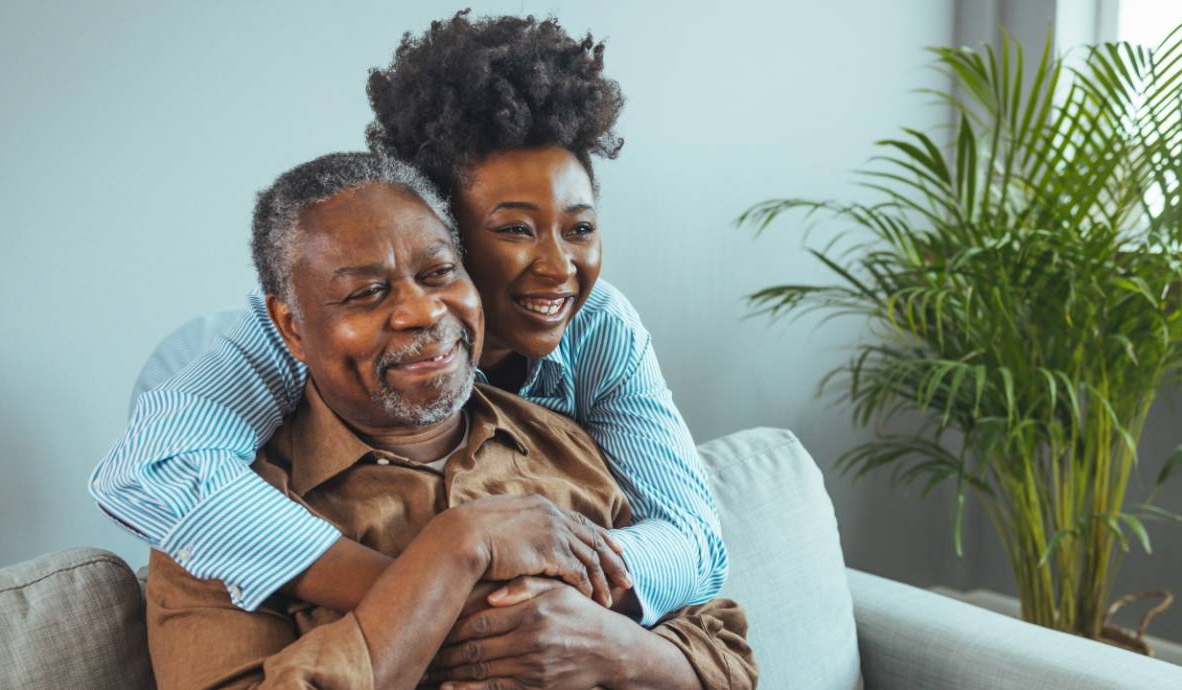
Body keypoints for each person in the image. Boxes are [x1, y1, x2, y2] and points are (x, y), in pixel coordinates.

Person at [91, 10, 724, 626]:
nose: (559, 268)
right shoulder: (297, 333)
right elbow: (152, 467)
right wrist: (432, 595)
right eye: (514, 230)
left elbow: (696, 541)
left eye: (580, 227)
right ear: (435, 227)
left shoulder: (600, 324)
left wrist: (546, 600)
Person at [145, 151, 755, 690]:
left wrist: (605, 644)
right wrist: (452, 553)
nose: (419, 310)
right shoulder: (217, 522)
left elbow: (721, 639)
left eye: (438, 273)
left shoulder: (567, 438)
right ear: (290, 327)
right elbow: (152, 465)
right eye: (366, 293)